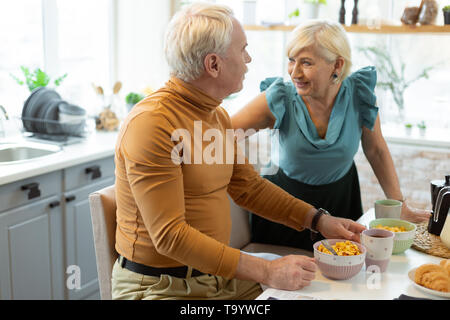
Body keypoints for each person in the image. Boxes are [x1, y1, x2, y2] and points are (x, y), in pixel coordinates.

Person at [112, 4, 365, 300]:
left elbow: (250, 188)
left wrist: (319, 220)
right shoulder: (153, 124)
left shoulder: (214, 115)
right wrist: (266, 271)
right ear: (214, 65)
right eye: (243, 49)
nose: (248, 59)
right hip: (161, 288)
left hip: (217, 278)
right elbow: (170, 237)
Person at [231, 20, 431, 252]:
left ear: (337, 64)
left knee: (343, 274)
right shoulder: (280, 97)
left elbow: (375, 150)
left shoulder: (359, 94)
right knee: (281, 282)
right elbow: (221, 134)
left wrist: (399, 206)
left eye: (306, 62)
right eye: (291, 60)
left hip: (340, 200)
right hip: (283, 206)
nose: (295, 72)